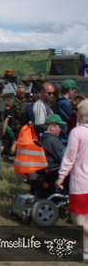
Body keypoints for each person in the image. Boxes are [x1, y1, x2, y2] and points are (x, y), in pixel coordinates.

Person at [55, 99, 88, 262]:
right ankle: (86, 250)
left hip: (82, 182)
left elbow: (69, 157)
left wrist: (61, 177)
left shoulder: (77, 132)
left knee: (78, 219)